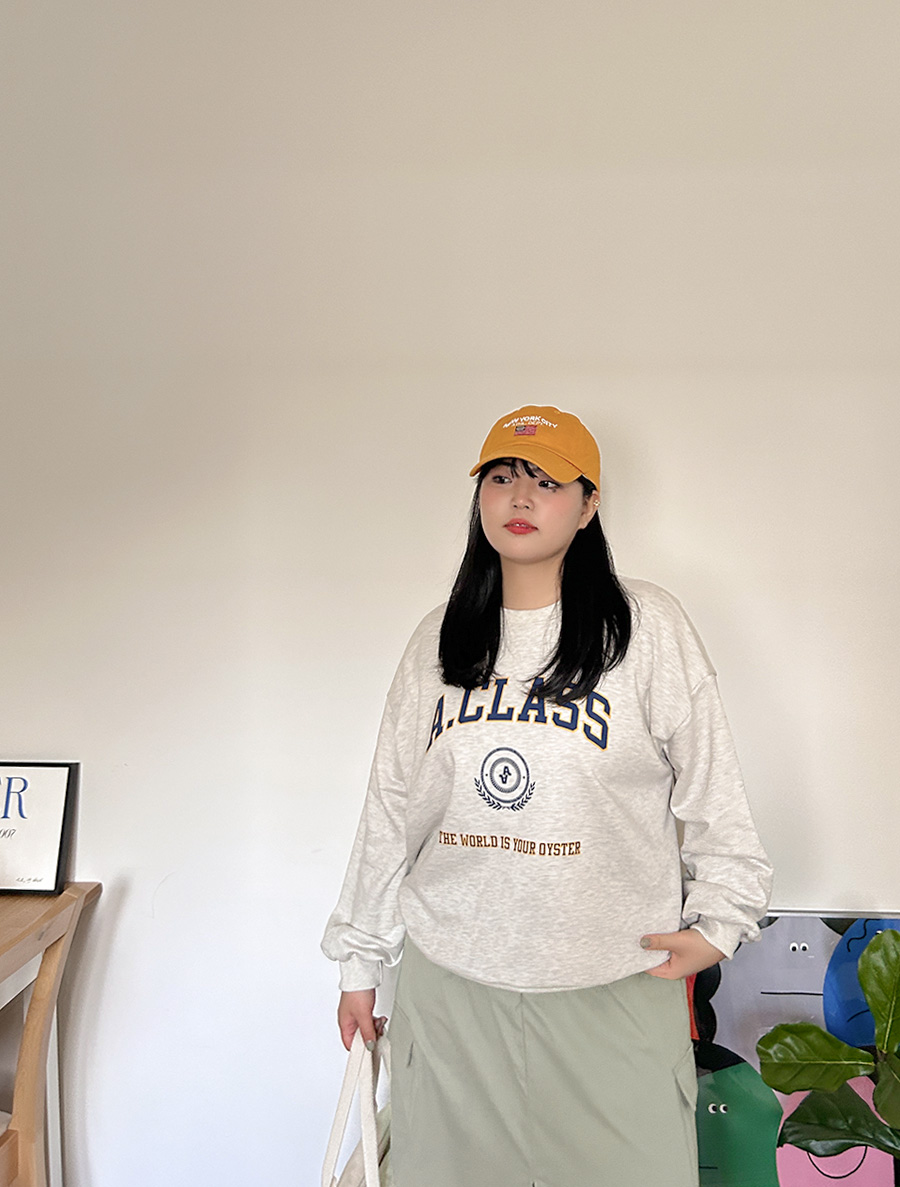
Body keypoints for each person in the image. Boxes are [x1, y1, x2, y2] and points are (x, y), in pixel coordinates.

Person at [322, 405, 772, 1187]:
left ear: (589, 503)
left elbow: (713, 789)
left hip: (612, 989)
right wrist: (360, 959)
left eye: (547, 481)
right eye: (501, 477)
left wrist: (723, 918)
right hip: (452, 992)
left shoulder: (646, 629)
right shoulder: (438, 639)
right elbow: (392, 805)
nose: (520, 497)